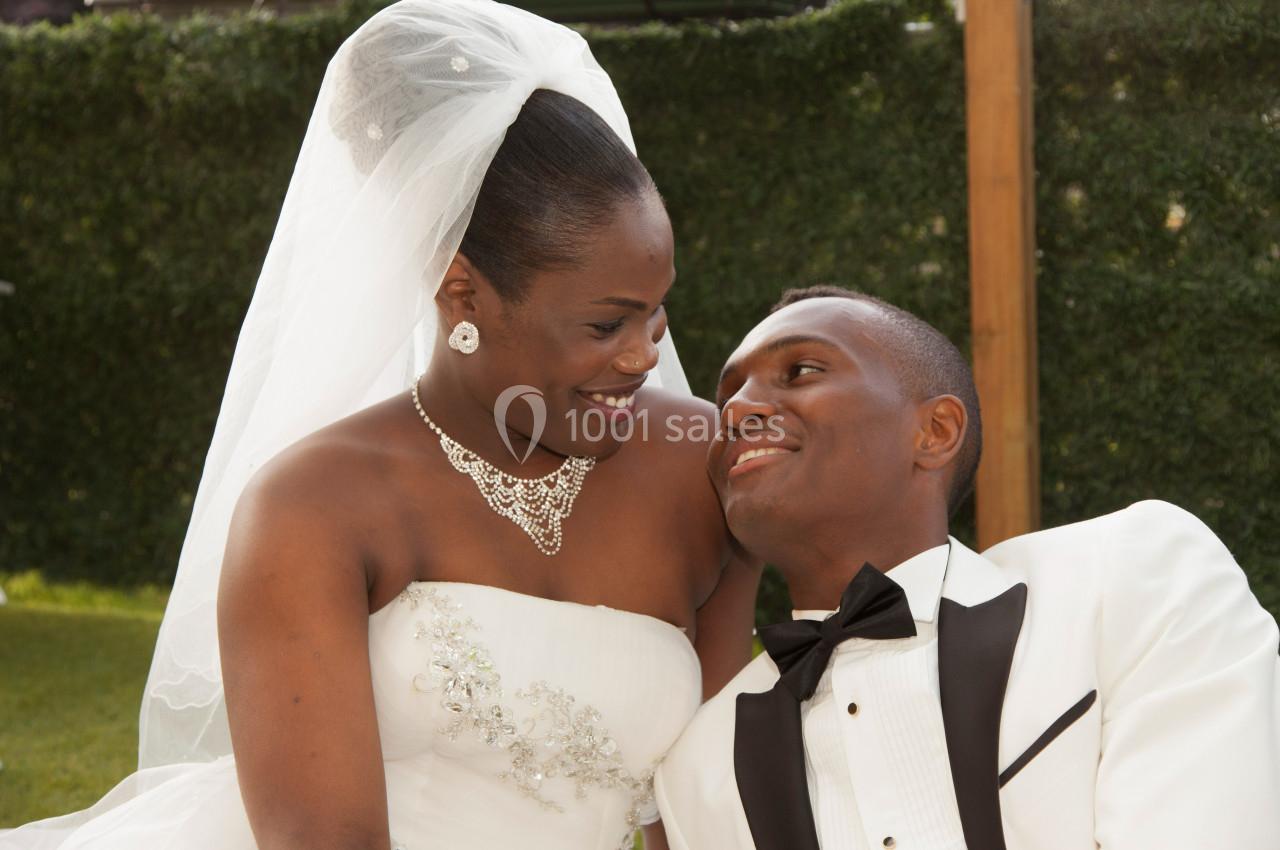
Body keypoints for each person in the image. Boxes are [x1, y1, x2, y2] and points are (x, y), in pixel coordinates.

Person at [1, 2, 760, 849]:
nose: (642, 359)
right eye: (604, 325)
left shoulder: (698, 467)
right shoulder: (313, 506)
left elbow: (710, 799)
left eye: (655, 317)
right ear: (461, 291)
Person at [653, 285, 1280, 850]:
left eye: (802, 370)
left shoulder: (1135, 576)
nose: (737, 409)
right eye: (727, 393)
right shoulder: (696, 773)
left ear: (936, 430)